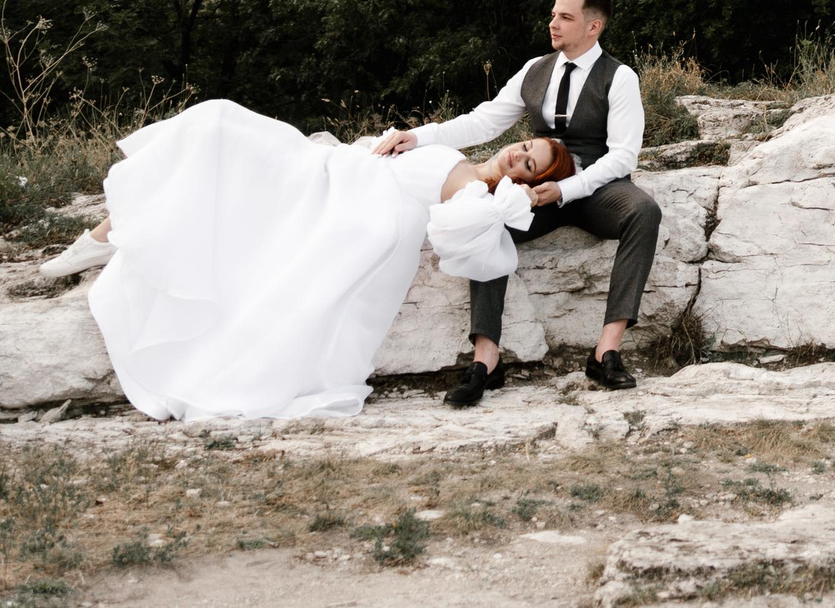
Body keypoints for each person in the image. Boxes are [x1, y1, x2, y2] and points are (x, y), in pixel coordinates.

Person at [37, 102, 569, 422]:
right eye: (523, 145)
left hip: (344, 197)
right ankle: (106, 235)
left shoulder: (476, 196)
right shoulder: (456, 155)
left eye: (528, 164)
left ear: (527, 180)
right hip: (335, 167)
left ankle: (105, 238)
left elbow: (472, 247)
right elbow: (462, 129)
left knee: (219, 130)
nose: (516, 155)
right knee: (215, 125)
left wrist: (506, 205)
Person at [375, 0, 660, 402]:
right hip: (531, 190)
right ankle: (486, 360)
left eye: (565, 17)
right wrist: (418, 136)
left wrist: (566, 189)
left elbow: (622, 157)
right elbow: (484, 121)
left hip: (597, 185)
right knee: (483, 221)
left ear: (593, 26)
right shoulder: (535, 69)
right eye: (553, 15)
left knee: (644, 212)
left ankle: (606, 351)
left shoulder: (619, 78)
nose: (553, 24)